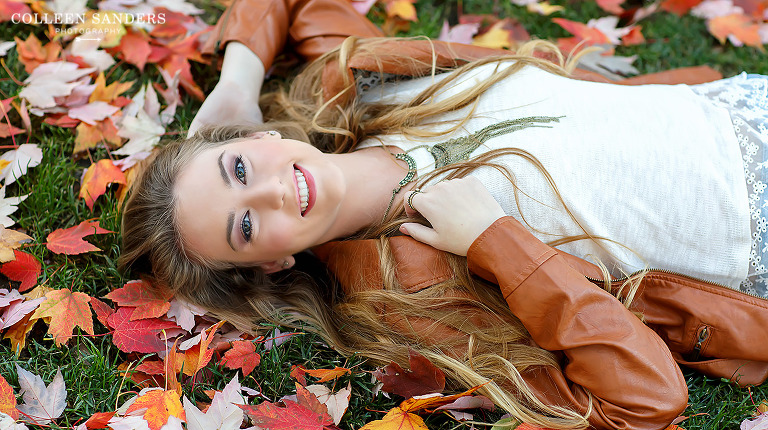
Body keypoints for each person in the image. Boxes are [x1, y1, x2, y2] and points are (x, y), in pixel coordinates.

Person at [120, 1, 768, 429]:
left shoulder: (361, 90)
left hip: (732, 106)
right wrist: (497, 242)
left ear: (254, 140)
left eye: (237, 170)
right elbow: (644, 400)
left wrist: (237, 81)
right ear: (272, 260)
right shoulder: (416, 293)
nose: (269, 193)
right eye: (246, 225)